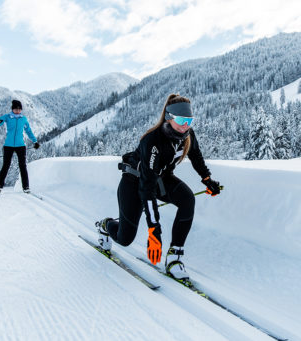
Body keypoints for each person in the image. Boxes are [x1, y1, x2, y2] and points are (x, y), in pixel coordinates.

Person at [95, 94, 221, 280]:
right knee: (125, 239)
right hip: (134, 183)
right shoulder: (153, 141)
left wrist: (207, 180)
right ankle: (106, 225)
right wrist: (154, 230)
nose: (186, 125)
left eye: (189, 120)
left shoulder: (188, 135)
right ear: (169, 117)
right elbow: (147, 188)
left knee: (187, 200)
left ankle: (174, 258)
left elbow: (196, 158)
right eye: (181, 120)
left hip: (161, 178)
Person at [0, 99, 39, 195]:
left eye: (19, 109)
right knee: (6, 165)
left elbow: (28, 131)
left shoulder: (23, 119)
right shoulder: (7, 117)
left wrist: (35, 141)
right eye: (16, 109)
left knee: (22, 166)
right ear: (12, 109)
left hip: (21, 146)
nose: (17, 111)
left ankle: (26, 187)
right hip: (8, 145)